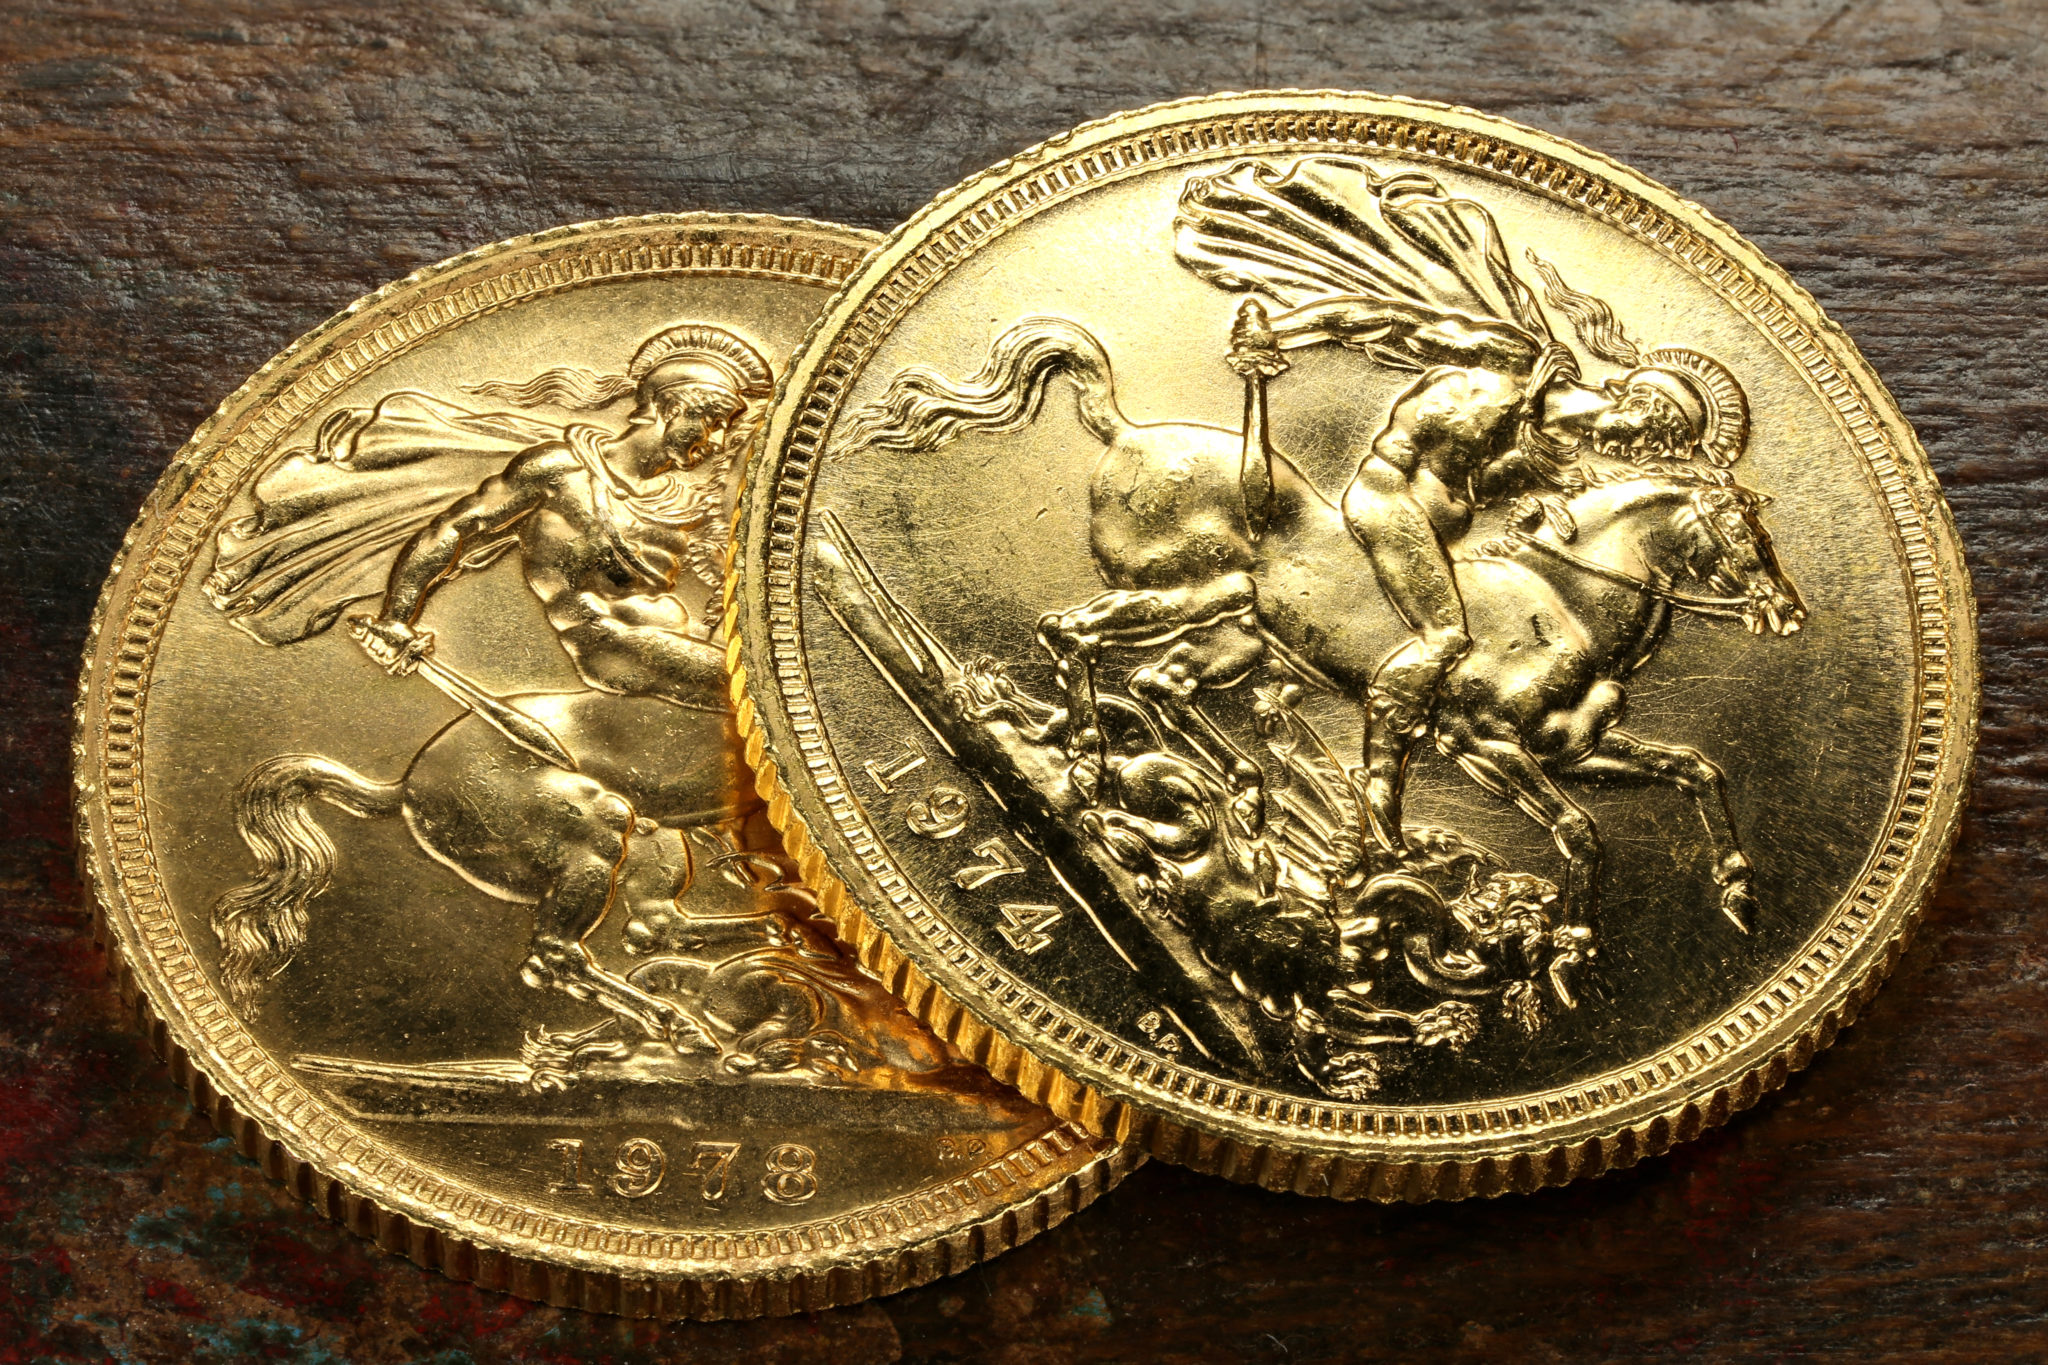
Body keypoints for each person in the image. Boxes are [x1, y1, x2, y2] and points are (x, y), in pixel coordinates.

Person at [350, 325, 771, 703]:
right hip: (612, 644)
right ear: (671, 409)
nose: (718, 440)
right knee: (769, 692)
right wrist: (396, 620)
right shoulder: (562, 470)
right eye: (713, 421)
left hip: (677, 637)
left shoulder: (681, 500)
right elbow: (454, 528)